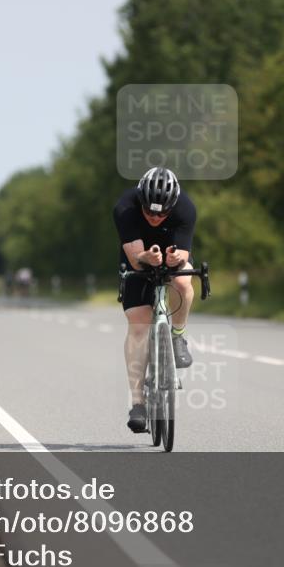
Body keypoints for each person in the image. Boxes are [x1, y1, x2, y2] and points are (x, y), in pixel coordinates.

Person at [113, 166, 196, 433]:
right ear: (140, 201)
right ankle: (137, 403)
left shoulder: (186, 208)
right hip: (137, 256)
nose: (155, 217)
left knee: (183, 282)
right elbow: (136, 259)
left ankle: (178, 335)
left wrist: (176, 259)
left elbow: (183, 254)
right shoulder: (125, 208)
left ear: (173, 206)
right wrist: (145, 258)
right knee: (139, 323)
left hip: (171, 252)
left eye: (162, 213)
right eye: (149, 212)